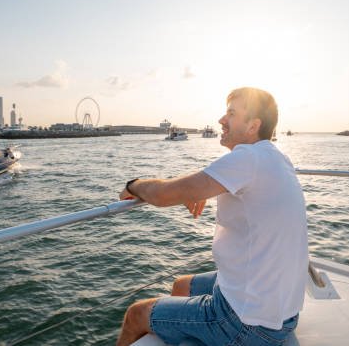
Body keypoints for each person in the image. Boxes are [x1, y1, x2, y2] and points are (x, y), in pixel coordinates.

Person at [117, 87, 308, 346]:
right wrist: (203, 188)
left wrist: (133, 184)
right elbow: (230, 179)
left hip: (246, 324)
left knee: (135, 314)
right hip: (281, 314)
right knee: (181, 286)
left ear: (253, 125)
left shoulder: (248, 159)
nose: (221, 120)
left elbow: (162, 195)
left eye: (231, 113)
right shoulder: (275, 157)